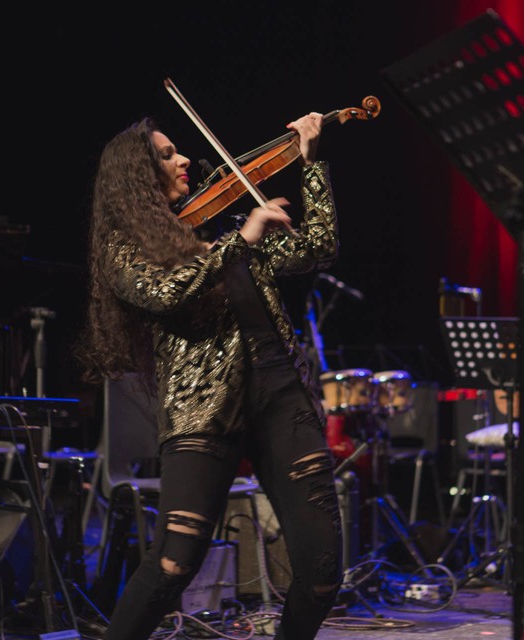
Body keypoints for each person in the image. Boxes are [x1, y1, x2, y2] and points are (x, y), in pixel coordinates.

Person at [78, 111, 343, 640]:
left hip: (282, 395)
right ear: (138, 175)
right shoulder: (126, 245)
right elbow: (164, 292)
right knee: (173, 563)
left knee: (322, 573)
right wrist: (240, 240)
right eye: (167, 155)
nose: (184, 160)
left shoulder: (226, 223)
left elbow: (318, 247)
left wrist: (312, 164)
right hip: (203, 409)